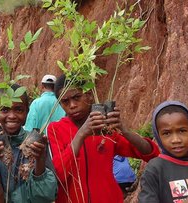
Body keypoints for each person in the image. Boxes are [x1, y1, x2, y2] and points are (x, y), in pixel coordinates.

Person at [47, 75, 160, 203]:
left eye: (77, 97)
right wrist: (81, 135)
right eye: (65, 101)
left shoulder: (104, 127)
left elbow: (151, 153)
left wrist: (124, 129)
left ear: (89, 95)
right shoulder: (55, 129)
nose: (72, 105)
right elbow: (58, 174)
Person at [0, 84, 57, 202]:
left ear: (27, 112)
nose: (11, 116)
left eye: (18, 110)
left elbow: (48, 195)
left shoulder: (35, 143)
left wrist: (40, 161)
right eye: (4, 109)